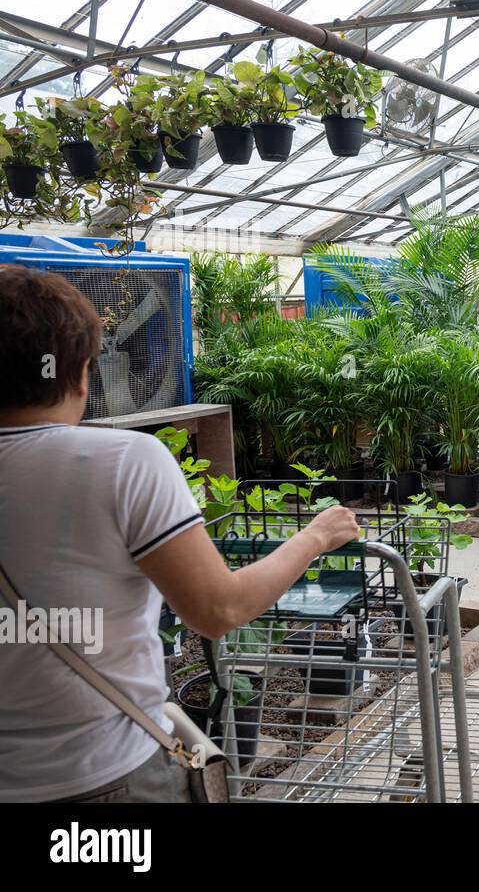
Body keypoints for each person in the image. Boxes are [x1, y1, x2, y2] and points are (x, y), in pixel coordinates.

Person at [0, 266, 361, 803]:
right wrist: (315, 537)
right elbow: (218, 609)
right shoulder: (121, 462)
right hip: (101, 777)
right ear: (79, 375)